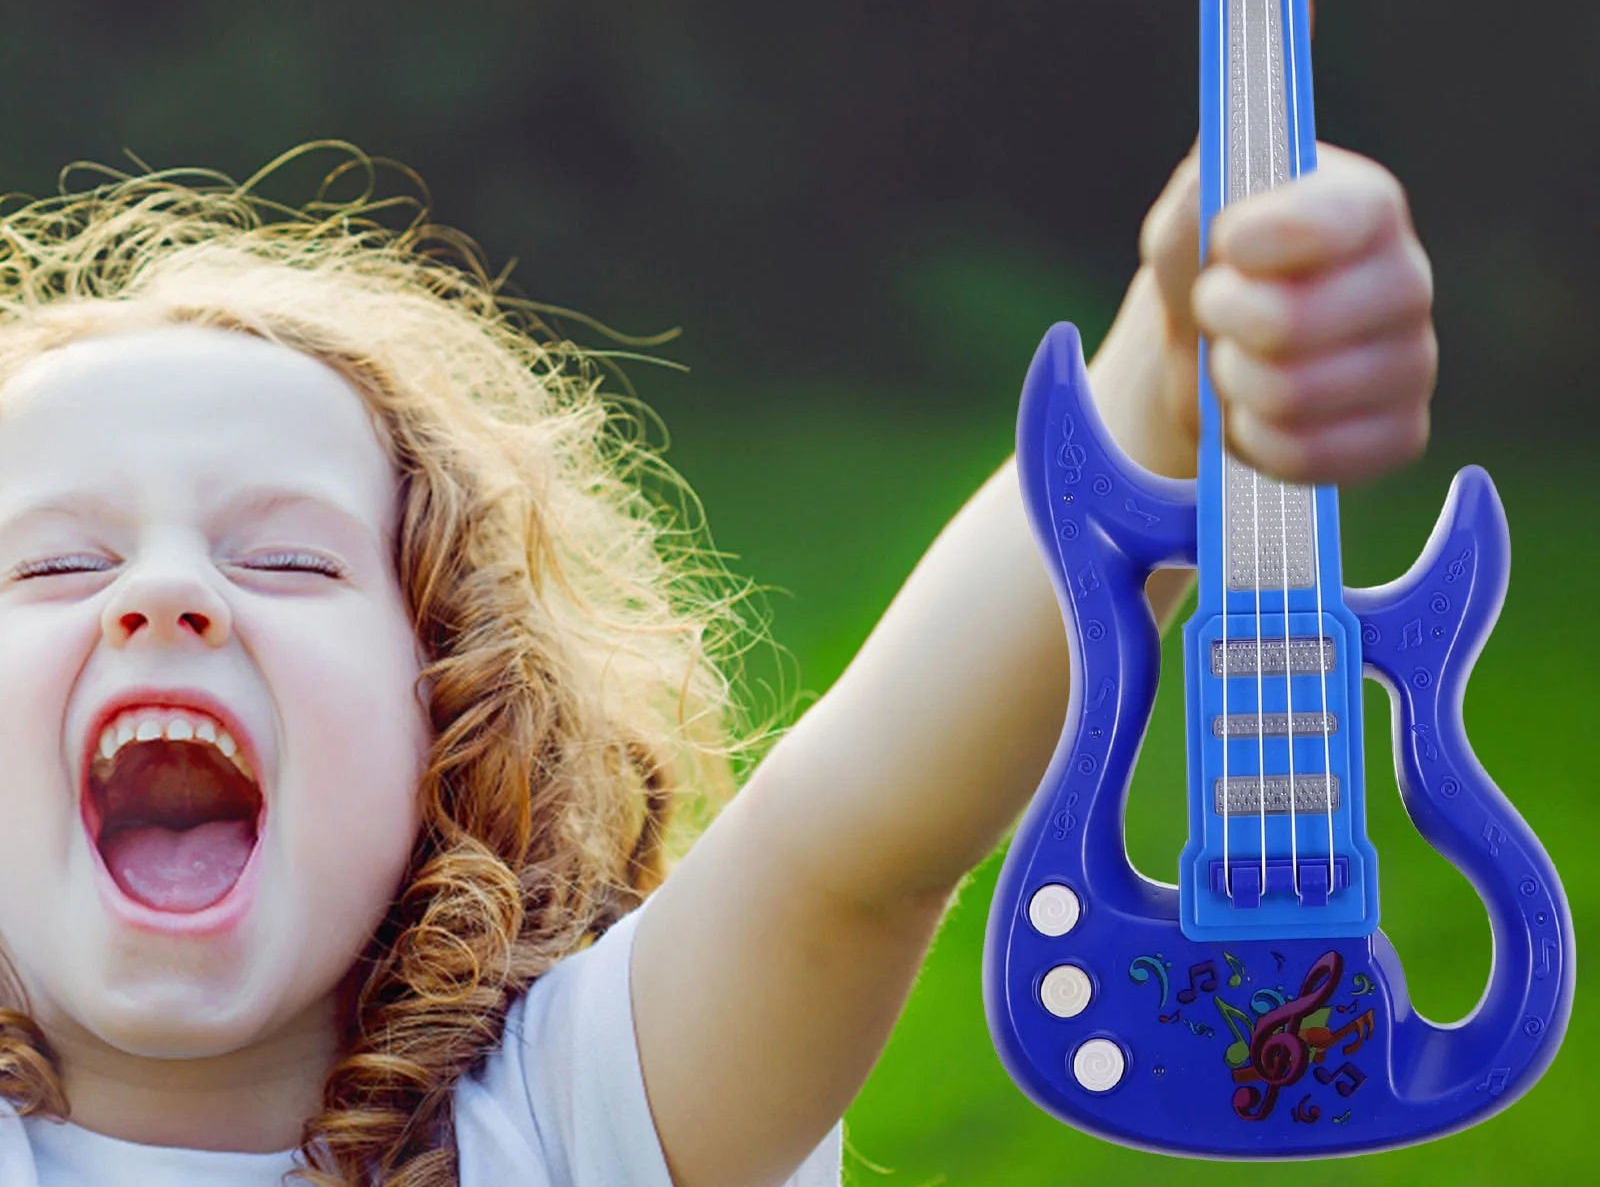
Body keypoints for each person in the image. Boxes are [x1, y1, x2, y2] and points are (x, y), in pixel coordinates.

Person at [0, 137, 1435, 1186]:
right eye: (58, 563)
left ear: (449, 714)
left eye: (288, 560)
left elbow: (855, 840)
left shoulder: (573, 1125)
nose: (171, 594)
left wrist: (1168, 377)